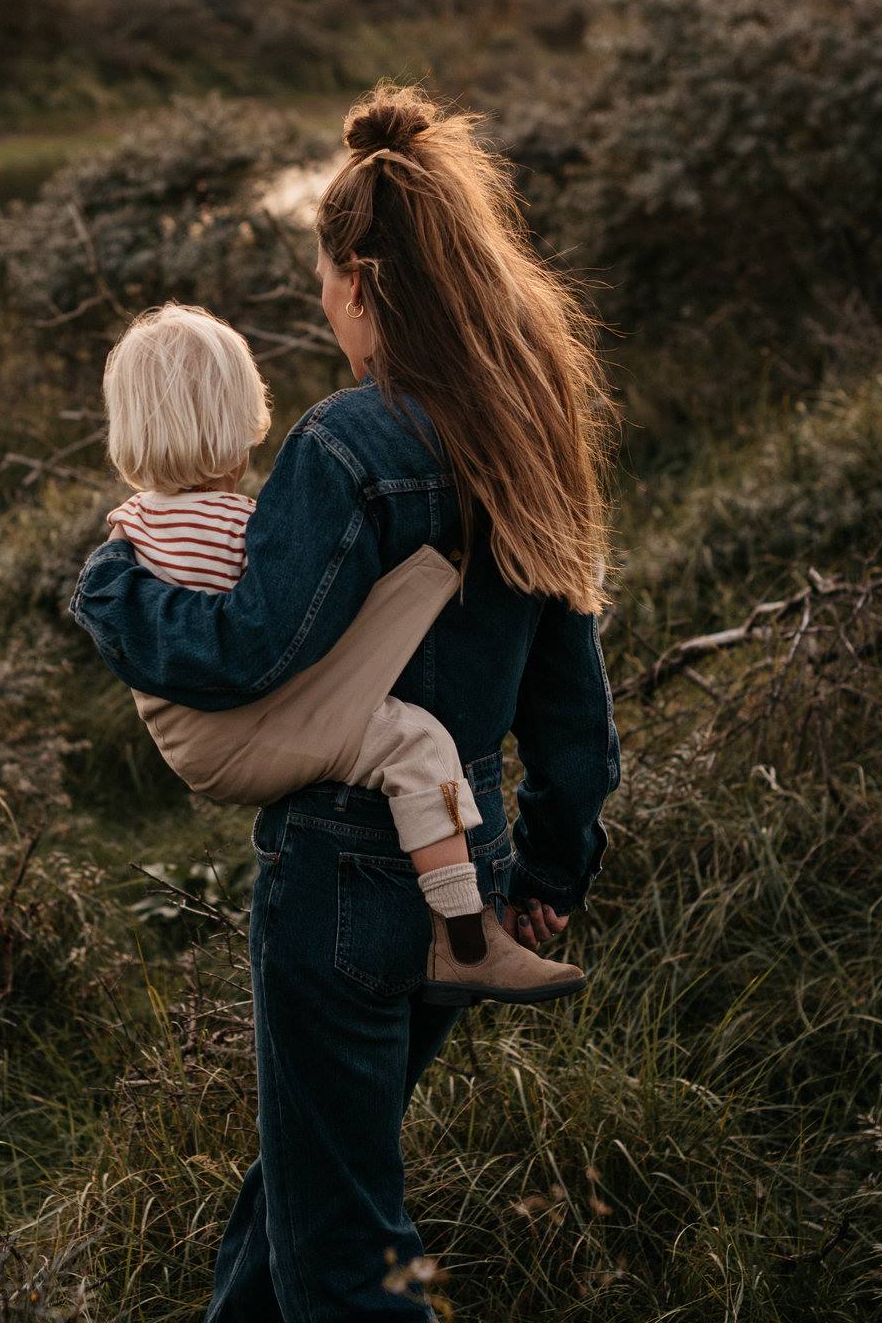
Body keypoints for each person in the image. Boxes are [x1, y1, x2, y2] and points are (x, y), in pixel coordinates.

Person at [70, 81, 621, 1321]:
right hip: (459, 871)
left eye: (325, 280)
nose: (322, 306)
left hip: (340, 880)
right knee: (307, 1182)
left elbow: (245, 652)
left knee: (344, 1249)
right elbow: (570, 700)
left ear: (363, 277)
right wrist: (549, 872)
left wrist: (110, 585)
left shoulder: (347, 445)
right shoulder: (529, 427)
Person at [98, 299, 585, 1004]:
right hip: (254, 730)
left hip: (194, 741)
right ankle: (464, 935)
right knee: (415, 744)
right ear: (243, 419)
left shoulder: (131, 527)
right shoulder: (248, 526)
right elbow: (280, 634)